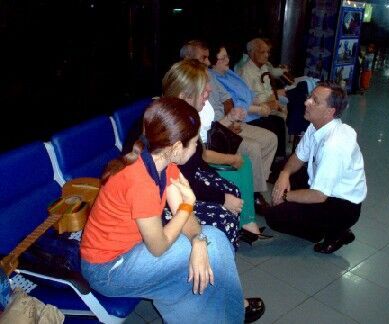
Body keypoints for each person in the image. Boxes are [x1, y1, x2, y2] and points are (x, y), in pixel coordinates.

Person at [80, 98, 245, 323]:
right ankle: (233, 316)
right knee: (213, 250)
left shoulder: (164, 164)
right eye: (195, 142)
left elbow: (184, 218)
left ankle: (226, 315)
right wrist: (188, 206)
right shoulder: (140, 182)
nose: (197, 148)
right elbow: (158, 246)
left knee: (211, 244)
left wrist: (197, 240)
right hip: (107, 270)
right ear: (176, 147)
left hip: (130, 251)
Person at [162, 60, 266, 323]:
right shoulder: (170, 126)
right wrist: (221, 200)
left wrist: (226, 193)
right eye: (204, 89)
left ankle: (220, 270)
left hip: (188, 178)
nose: (209, 91)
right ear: (185, 95)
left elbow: (197, 161)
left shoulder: (186, 115)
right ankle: (223, 292)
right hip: (167, 200)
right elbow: (178, 182)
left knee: (233, 189)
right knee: (225, 218)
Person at [265, 81, 367, 254]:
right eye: (310, 97)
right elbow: (298, 157)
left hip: (341, 205)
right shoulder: (316, 126)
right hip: (322, 188)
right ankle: (315, 224)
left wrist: (284, 195)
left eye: (315, 101)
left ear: (330, 112)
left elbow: (319, 196)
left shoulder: (334, 146)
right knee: (279, 171)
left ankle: (332, 231)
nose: (307, 102)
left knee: (274, 217)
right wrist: (284, 175)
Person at [180, 40, 274, 214]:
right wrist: (231, 155)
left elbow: (227, 100)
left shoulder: (204, 81)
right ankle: (250, 208)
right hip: (205, 149)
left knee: (268, 140)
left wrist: (230, 118)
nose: (208, 63)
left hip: (217, 132)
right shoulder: (187, 105)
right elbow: (201, 152)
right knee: (247, 154)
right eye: (204, 58)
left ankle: (252, 201)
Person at [235, 38, 288, 159]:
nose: (266, 55)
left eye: (268, 52)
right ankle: (275, 159)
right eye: (262, 52)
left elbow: (268, 89)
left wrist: (275, 102)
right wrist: (270, 104)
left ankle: (279, 158)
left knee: (280, 120)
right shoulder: (244, 72)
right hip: (255, 111)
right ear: (252, 53)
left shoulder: (264, 67)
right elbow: (248, 99)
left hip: (269, 104)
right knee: (274, 124)